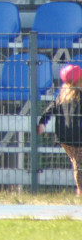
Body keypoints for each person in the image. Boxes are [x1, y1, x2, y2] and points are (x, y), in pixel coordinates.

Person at [38, 64, 82, 196]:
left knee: (77, 162)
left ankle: (80, 190)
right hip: (77, 138)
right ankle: (80, 191)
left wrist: (42, 123)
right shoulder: (79, 96)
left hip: (64, 138)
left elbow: (49, 109)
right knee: (79, 164)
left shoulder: (62, 96)